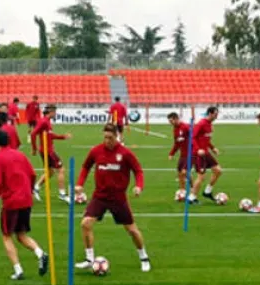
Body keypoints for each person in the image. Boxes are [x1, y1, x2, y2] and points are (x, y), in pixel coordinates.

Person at [74, 124, 149, 272]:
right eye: (105, 137)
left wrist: (139, 186)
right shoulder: (96, 151)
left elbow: (138, 170)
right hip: (100, 196)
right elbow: (85, 167)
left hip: (118, 198)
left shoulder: (125, 153)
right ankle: (89, 259)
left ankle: (144, 257)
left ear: (117, 136)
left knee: (132, 230)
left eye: (110, 138)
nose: (107, 141)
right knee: (85, 224)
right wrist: (79, 184)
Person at [0, 129, 49, 280]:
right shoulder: (20, 155)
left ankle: (18, 270)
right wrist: (30, 190)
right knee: (21, 235)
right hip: (26, 199)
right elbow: (33, 174)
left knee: (6, 236)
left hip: (11, 201)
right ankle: (40, 253)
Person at [31, 105, 72, 204]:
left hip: (46, 150)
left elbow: (50, 135)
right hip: (48, 151)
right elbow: (33, 133)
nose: (56, 114)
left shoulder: (47, 121)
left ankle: (36, 188)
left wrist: (62, 137)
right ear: (51, 112)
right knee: (61, 169)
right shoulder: (43, 121)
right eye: (55, 112)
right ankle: (62, 194)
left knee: (50, 172)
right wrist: (34, 148)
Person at [189, 106, 222, 204]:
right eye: (215, 114)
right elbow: (193, 137)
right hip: (199, 154)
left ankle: (207, 192)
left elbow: (205, 139)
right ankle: (191, 198)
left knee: (218, 171)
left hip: (206, 153)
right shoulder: (201, 123)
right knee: (201, 177)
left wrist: (213, 148)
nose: (216, 116)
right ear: (210, 113)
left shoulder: (210, 125)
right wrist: (198, 149)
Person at [167, 112, 191, 200]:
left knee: (184, 172)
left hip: (190, 153)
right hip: (182, 155)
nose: (170, 123)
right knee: (180, 173)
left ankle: (191, 190)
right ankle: (183, 191)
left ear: (176, 119)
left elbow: (195, 137)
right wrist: (171, 153)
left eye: (171, 121)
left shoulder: (185, 127)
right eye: (169, 121)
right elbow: (176, 143)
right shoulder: (175, 129)